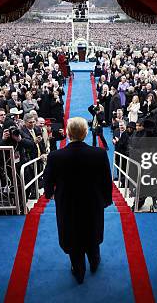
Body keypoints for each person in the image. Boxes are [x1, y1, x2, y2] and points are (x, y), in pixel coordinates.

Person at [42, 117, 113, 284]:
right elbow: (106, 179)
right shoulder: (99, 154)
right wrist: (106, 200)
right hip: (93, 204)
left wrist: (48, 193)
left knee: (72, 236)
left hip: (68, 205)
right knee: (92, 231)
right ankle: (94, 261)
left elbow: (48, 180)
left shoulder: (55, 156)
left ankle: (78, 270)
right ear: (86, 133)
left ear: (67, 133)